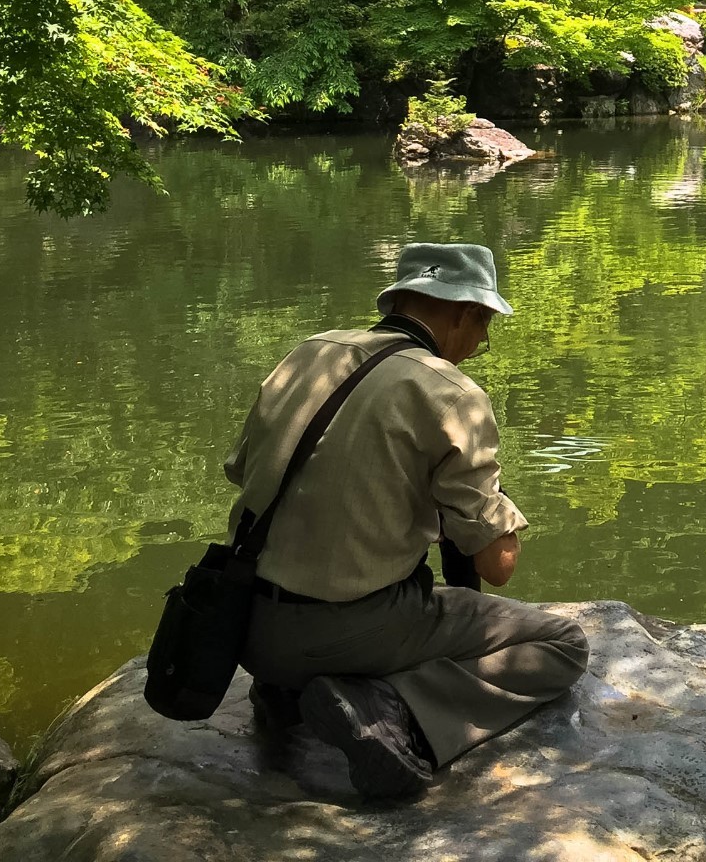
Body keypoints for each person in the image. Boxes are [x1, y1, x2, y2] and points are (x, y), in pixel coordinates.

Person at [224, 242, 589, 799]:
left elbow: (242, 471)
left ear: (398, 301)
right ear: (466, 312)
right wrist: (489, 495)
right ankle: (388, 704)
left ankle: (289, 691)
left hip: (243, 625)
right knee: (562, 645)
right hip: (347, 632)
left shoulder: (308, 352)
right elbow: (498, 565)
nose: (482, 342)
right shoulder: (449, 393)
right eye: (485, 324)